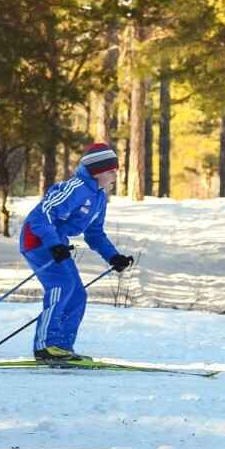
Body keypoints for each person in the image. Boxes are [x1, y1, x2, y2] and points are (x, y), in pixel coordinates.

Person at [20, 143, 134, 361]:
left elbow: (95, 233)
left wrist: (113, 256)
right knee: (62, 285)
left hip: (57, 242)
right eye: (111, 171)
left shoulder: (99, 197)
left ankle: (62, 347)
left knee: (77, 293)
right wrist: (53, 244)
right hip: (37, 239)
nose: (115, 176)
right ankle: (46, 346)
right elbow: (43, 215)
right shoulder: (76, 188)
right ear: (98, 172)